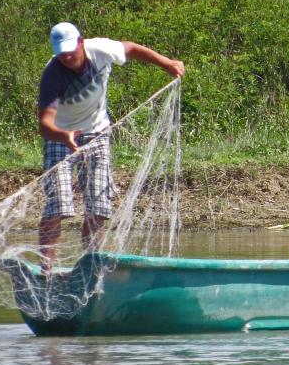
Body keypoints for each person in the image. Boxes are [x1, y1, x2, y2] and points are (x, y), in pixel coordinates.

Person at [37, 22, 184, 262]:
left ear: (81, 41)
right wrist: (63, 136)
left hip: (97, 133)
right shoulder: (52, 74)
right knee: (59, 206)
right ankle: (45, 269)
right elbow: (44, 124)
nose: (68, 56)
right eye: (62, 53)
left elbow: (133, 49)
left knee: (98, 208)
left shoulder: (101, 50)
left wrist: (166, 63)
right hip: (61, 136)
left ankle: (90, 265)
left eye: (71, 49)